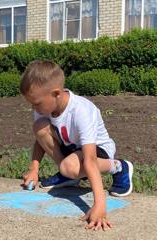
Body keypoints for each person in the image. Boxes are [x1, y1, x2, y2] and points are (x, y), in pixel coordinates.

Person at [21, 60, 133, 231]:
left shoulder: (80, 110)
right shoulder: (44, 108)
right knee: (40, 127)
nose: (33, 108)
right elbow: (40, 139)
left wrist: (100, 205)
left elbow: (90, 159)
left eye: (36, 103)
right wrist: (34, 170)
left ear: (56, 94)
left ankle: (119, 166)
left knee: (70, 166)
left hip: (98, 150)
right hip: (73, 148)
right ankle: (71, 174)